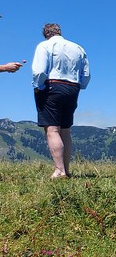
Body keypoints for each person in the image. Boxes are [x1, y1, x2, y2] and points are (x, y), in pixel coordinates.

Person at [31, 23, 90, 179]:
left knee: (52, 129)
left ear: (46, 34)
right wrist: (80, 86)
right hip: (73, 88)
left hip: (52, 86)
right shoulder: (78, 48)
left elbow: (40, 71)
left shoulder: (44, 46)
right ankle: (66, 170)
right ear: (59, 32)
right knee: (65, 129)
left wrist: (38, 86)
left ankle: (59, 170)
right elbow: (87, 74)